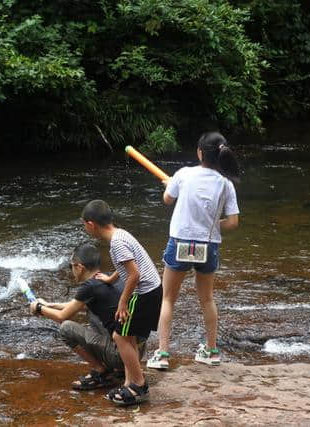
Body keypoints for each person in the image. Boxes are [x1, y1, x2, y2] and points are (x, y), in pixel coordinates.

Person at [147, 131, 240, 370]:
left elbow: (167, 199)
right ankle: (211, 350)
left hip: (181, 243)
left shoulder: (184, 174)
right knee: (207, 299)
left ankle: (162, 354)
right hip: (208, 246)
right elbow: (232, 222)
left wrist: (170, 185)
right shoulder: (226, 184)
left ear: (200, 152)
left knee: (168, 298)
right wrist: (209, 224)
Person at [29, 243, 146, 390]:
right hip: (137, 351)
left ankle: (101, 372)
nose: (71, 270)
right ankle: (122, 369)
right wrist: (49, 305)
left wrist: (39, 308)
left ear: (79, 267)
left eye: (70, 266)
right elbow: (80, 305)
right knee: (92, 310)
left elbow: (61, 317)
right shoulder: (109, 279)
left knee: (66, 328)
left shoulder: (89, 287)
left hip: (120, 355)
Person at [81, 199, 162, 406]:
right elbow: (126, 265)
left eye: (84, 225)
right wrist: (110, 279)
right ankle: (130, 381)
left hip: (143, 292)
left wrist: (123, 302)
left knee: (119, 336)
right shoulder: (120, 234)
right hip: (153, 289)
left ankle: (139, 386)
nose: (85, 228)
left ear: (91, 224)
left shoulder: (116, 243)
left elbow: (134, 274)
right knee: (128, 336)